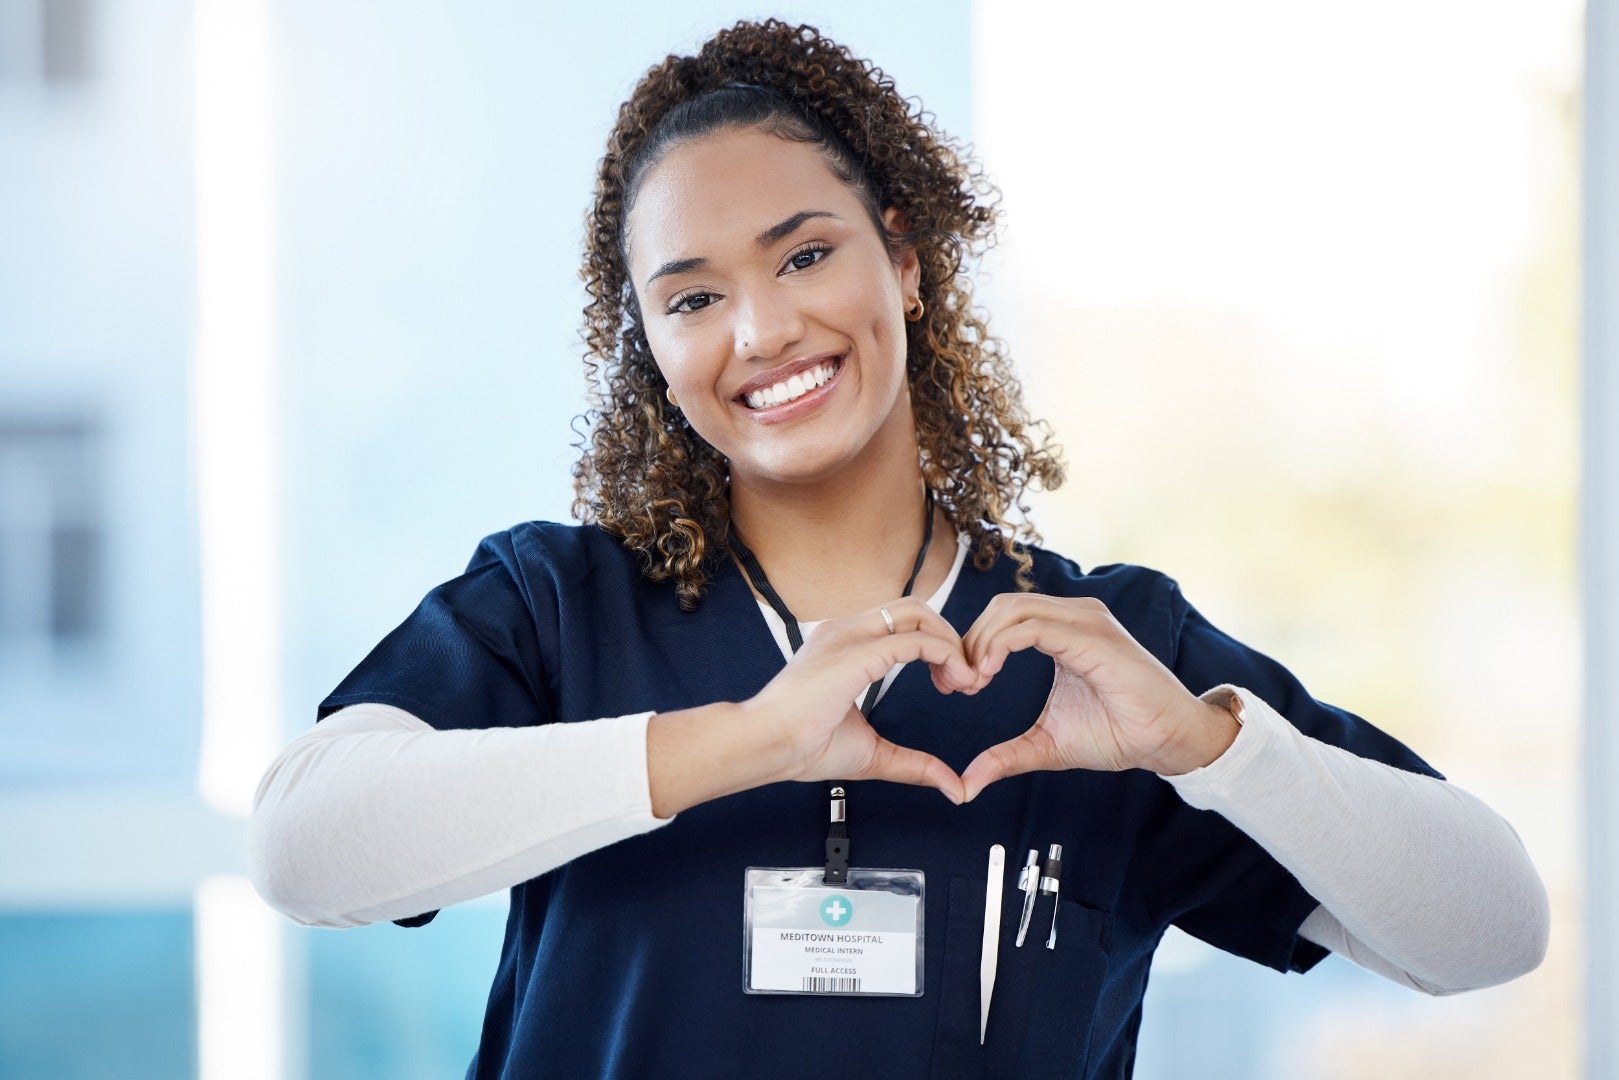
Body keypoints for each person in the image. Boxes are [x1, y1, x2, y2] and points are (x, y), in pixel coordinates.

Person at [248, 17, 1549, 1079]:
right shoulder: (557, 609)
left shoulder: (1105, 661)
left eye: (804, 253)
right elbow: (308, 846)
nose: (759, 329)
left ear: (906, 260)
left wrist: (1204, 746)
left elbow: (1493, 926)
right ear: (649, 340)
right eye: (692, 295)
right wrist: (746, 741)